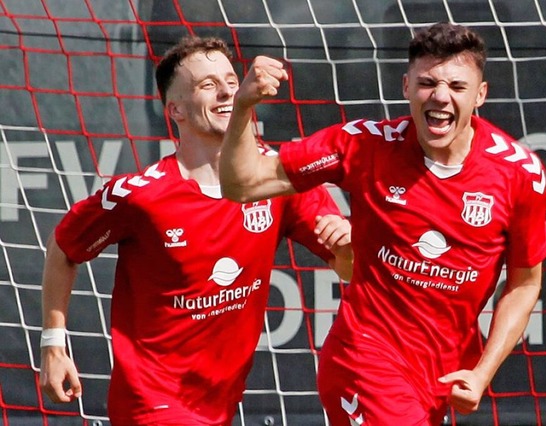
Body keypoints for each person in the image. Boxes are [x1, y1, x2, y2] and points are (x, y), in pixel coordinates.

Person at [219, 22, 546, 425]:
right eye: (427, 83)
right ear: (405, 87)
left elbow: (525, 283)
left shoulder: (520, 173)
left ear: (480, 95)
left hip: (437, 378)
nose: (441, 96)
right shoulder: (364, 144)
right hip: (363, 359)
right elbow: (242, 184)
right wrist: (243, 107)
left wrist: (484, 372)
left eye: (457, 86)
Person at [39, 35, 353, 426]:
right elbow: (64, 247)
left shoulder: (277, 180)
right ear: (176, 110)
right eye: (207, 86)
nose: (225, 93)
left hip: (219, 404)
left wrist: (348, 245)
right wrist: (53, 344)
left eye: (230, 82)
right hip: (150, 402)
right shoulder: (140, 196)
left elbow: (349, 269)